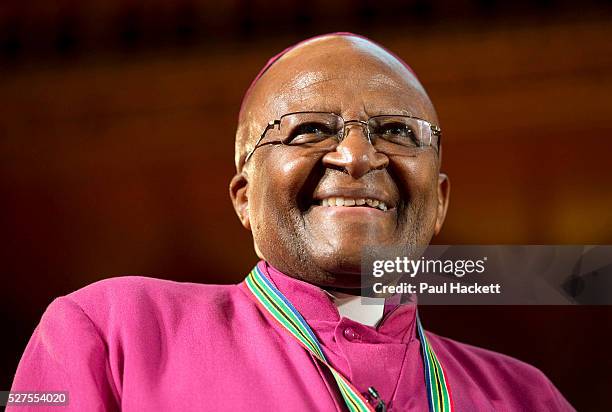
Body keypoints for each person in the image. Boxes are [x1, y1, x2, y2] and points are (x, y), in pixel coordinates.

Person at [9, 33, 574, 411]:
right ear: (243, 196)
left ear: (441, 200)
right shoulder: (113, 333)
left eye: (398, 132)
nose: (356, 157)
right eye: (309, 130)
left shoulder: (526, 396)